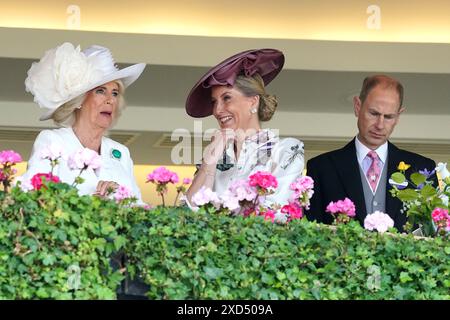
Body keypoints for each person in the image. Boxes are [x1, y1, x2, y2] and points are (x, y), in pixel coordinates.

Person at [306, 75, 437, 232]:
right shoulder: (321, 168)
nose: (380, 125)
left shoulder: (421, 168)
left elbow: (433, 234)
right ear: (357, 106)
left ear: (398, 116)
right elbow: (312, 233)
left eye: (388, 117)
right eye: (374, 113)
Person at [21, 42, 145, 202]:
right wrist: (91, 201)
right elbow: (33, 197)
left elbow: (138, 207)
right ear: (79, 100)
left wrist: (120, 197)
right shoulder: (53, 141)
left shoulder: (121, 152)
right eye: (100, 91)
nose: (110, 100)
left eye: (115, 93)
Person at [185, 48, 304, 208]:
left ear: (253, 101)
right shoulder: (217, 156)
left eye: (226, 98)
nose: (217, 110)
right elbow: (189, 211)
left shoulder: (285, 150)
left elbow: (277, 211)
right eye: (214, 102)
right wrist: (210, 161)